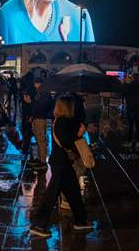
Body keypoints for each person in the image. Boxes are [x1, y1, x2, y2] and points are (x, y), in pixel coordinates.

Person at [29, 96, 92, 237]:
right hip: (61, 163)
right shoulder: (63, 122)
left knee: (74, 192)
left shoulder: (62, 121)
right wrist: (79, 135)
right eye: (72, 106)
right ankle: (38, 225)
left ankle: (81, 221)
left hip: (62, 162)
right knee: (51, 195)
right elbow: (66, 142)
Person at [30, 78, 54, 169]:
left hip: (40, 117)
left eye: (35, 84)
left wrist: (32, 103)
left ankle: (43, 161)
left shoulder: (43, 93)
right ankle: (40, 159)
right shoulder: (41, 92)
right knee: (39, 139)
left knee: (41, 139)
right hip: (37, 117)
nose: (34, 86)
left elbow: (42, 105)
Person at [124, 73, 139, 150]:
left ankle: (129, 141)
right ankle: (137, 142)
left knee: (130, 125)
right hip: (138, 108)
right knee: (137, 125)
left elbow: (125, 96)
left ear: (133, 78)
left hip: (130, 107)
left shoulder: (128, 86)